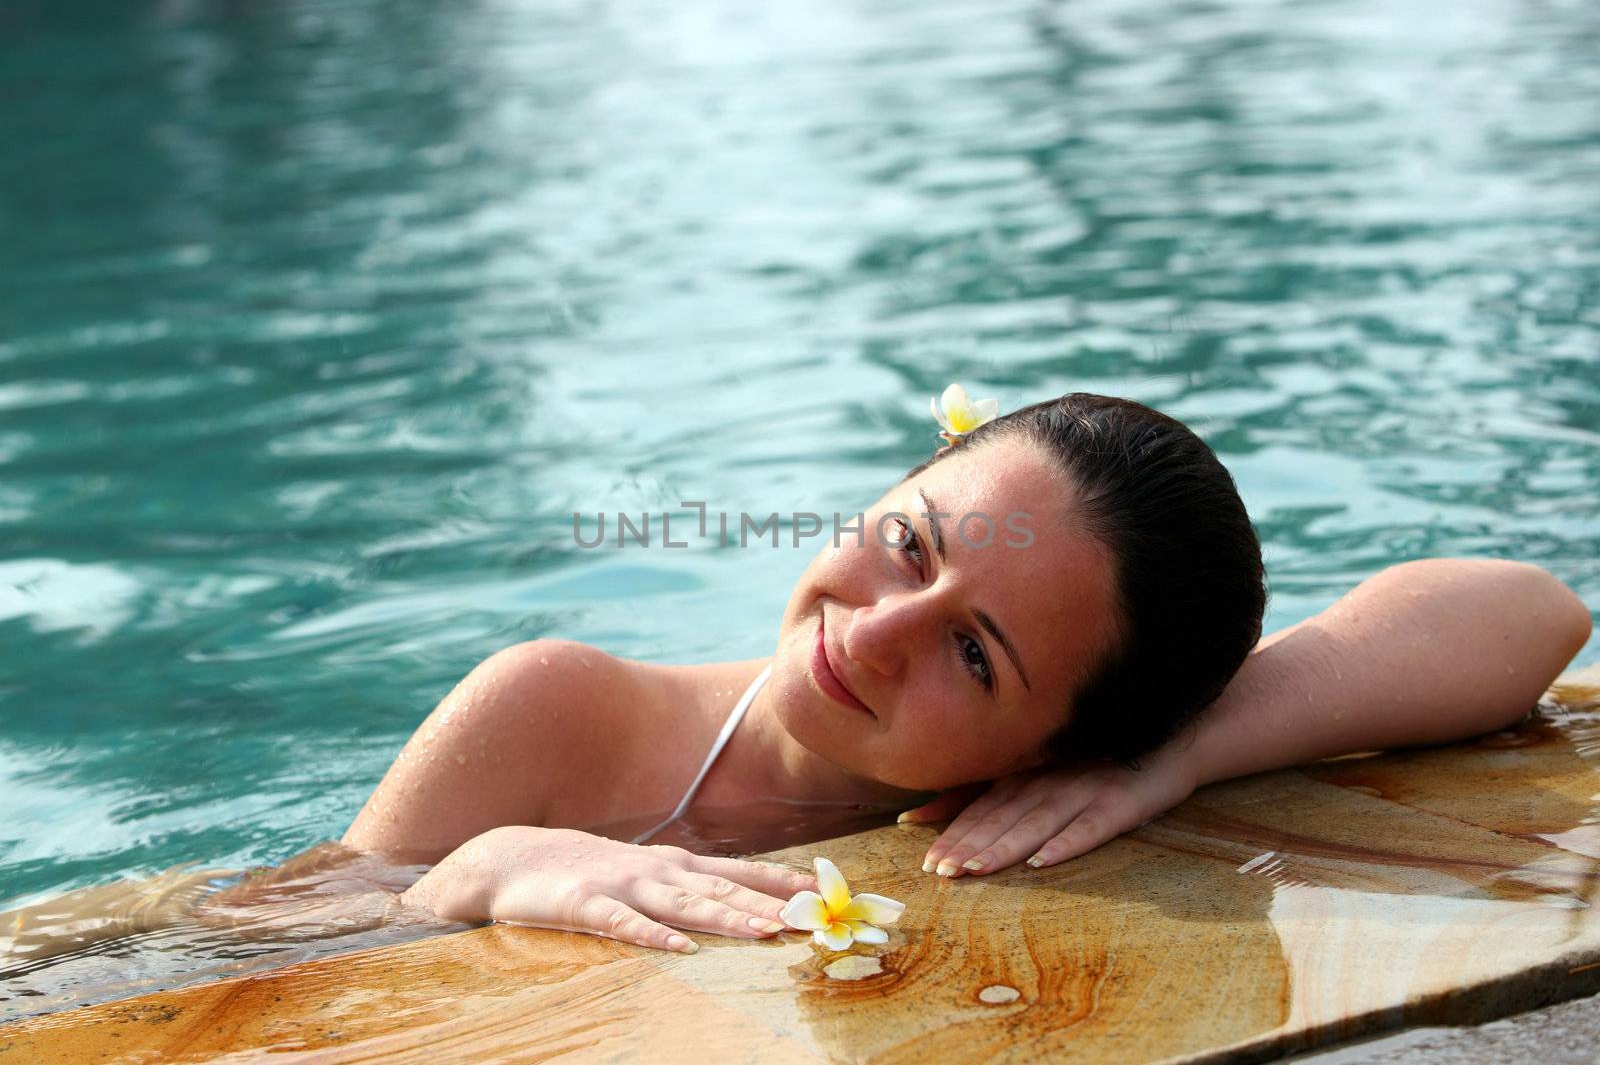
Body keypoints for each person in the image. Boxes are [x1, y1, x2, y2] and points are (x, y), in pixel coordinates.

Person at [343, 391, 1593, 955]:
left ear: (1057, 750)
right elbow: (215, 951)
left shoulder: (1104, 746)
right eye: (907, 545)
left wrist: (1182, 753)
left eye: (971, 653)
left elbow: (1531, 614)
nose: (874, 630)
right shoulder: (561, 711)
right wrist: (493, 863)